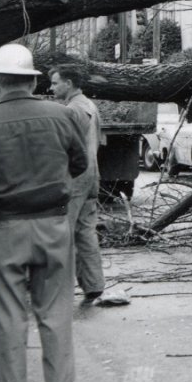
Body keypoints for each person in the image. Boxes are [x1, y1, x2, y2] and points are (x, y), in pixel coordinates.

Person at [0, 43, 88, 382]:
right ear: (32, 81)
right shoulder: (63, 116)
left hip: (1, 228)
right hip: (52, 223)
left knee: (8, 314)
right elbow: (79, 165)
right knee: (56, 310)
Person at [48, 63, 128, 308]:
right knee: (85, 232)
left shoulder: (72, 110)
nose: (51, 88)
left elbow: (64, 148)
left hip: (73, 178)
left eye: (54, 83)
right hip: (91, 175)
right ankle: (94, 285)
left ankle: (55, 289)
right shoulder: (90, 106)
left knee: (62, 233)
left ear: (69, 84)